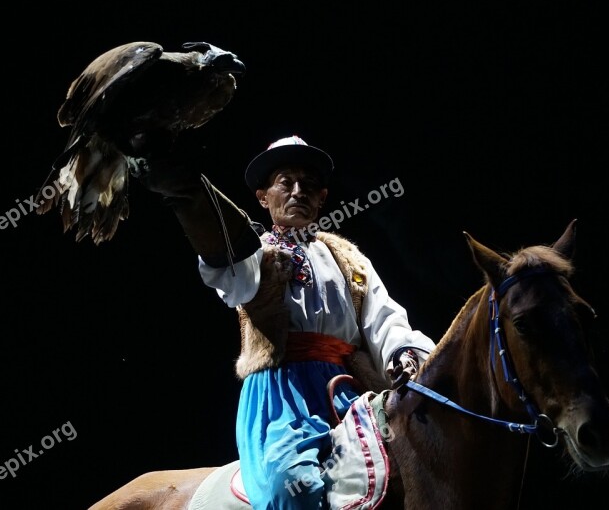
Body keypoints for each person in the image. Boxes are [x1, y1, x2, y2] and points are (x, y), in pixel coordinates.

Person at [138, 135, 436, 510]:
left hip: (349, 393)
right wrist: (190, 194)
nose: (299, 192)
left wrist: (404, 353)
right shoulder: (255, 254)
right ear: (264, 197)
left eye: (309, 185)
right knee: (295, 487)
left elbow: (385, 318)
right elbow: (227, 263)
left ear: (323, 197)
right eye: (286, 183)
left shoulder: (349, 258)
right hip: (281, 399)